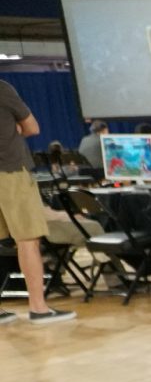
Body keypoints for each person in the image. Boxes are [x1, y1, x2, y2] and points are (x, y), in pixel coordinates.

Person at [0, 79, 76, 324]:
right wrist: (14, 129)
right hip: (11, 171)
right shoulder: (2, 88)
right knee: (28, 239)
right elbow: (32, 127)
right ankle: (38, 307)